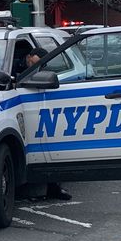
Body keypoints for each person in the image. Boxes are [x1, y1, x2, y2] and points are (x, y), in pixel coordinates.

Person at [26, 45, 72, 201]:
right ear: (28, 57)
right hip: (26, 112)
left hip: (43, 112)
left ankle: (53, 188)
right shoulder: (18, 67)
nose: (34, 66)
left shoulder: (45, 71)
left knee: (50, 149)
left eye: (39, 64)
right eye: (33, 63)